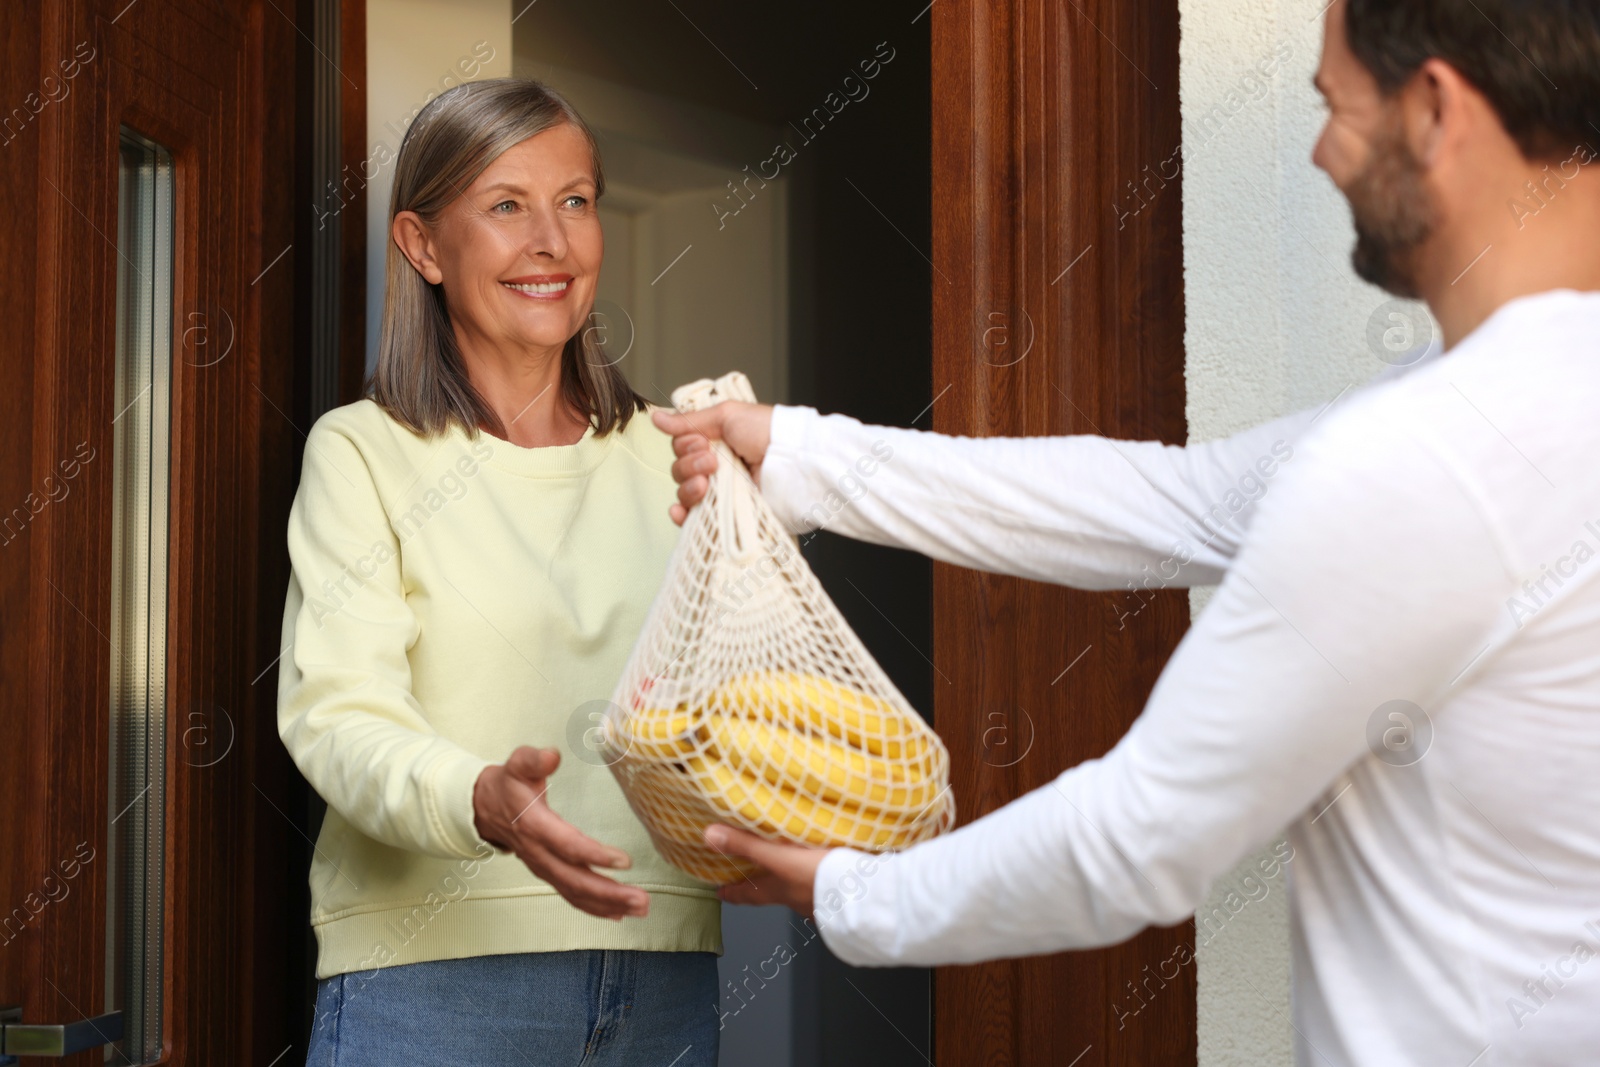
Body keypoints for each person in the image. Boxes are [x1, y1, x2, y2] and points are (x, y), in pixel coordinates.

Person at [653, 2, 1600, 1063]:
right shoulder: (1485, 414)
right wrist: (796, 451)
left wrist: (850, 891)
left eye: (1336, 105)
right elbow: (1175, 500)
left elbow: (1140, 834)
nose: (1321, 152)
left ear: (1433, 108)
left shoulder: (1430, 459)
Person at [278, 80, 720, 1066]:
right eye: (506, 204)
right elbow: (337, 716)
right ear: (424, 244)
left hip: (666, 979)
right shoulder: (362, 452)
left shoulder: (676, 453)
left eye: (575, 200)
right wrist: (478, 795)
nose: (552, 241)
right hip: (433, 983)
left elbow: (727, 704)